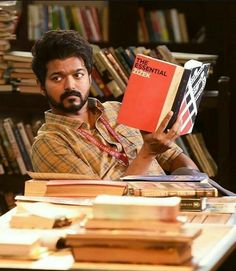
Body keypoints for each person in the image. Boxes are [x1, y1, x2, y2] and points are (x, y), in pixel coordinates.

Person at [31, 29, 199, 178]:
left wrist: (196, 185)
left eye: (78, 75)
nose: (70, 85)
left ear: (90, 79)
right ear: (41, 86)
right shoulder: (49, 142)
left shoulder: (118, 109)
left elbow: (174, 158)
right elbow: (100, 204)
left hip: (171, 203)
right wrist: (148, 153)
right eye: (57, 78)